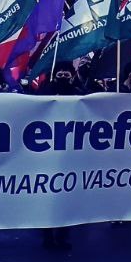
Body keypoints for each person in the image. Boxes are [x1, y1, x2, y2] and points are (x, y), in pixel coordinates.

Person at [32, 63, 83, 249]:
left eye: (66, 74)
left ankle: (62, 235)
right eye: (59, 73)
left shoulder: (78, 91)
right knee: (48, 195)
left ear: (71, 75)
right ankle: (47, 234)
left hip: (69, 151)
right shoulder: (46, 91)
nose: (63, 76)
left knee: (66, 196)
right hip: (47, 150)